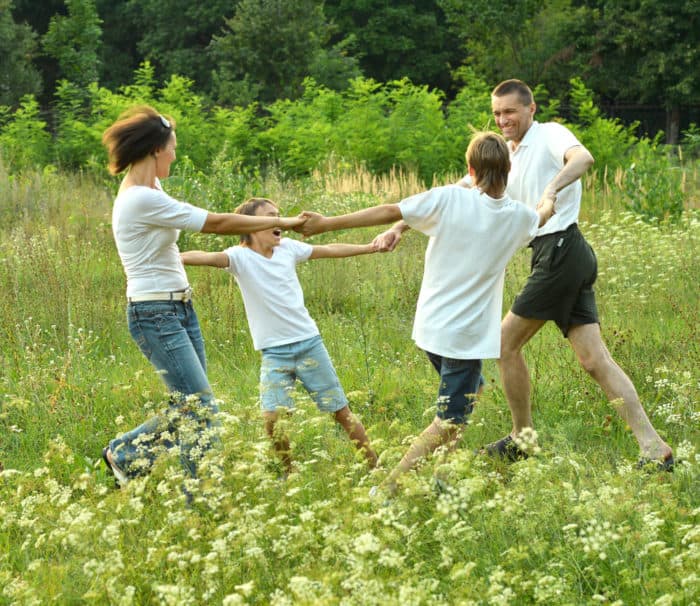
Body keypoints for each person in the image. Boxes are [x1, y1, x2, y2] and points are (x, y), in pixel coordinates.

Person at [374, 79, 674, 471]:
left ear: (531, 109)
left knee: (503, 343)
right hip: (562, 255)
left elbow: (582, 160)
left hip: (561, 251)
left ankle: (522, 438)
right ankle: (653, 447)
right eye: (497, 114)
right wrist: (401, 226)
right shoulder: (502, 155)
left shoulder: (549, 135)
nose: (503, 120)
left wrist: (550, 191)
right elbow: (456, 192)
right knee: (593, 360)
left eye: (510, 112)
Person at [296, 132, 555, 495]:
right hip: (462, 339)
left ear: (469, 169)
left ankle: (441, 479)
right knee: (449, 420)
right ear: (509, 170)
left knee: (472, 392)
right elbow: (542, 216)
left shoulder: (448, 199)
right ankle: (388, 488)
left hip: (432, 329)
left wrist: (325, 224)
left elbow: (389, 211)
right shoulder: (519, 217)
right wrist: (548, 200)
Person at [100, 106, 306, 487]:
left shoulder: (151, 189)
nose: (175, 156)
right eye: (172, 148)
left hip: (178, 308)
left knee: (191, 407)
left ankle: (125, 455)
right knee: (201, 409)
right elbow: (217, 223)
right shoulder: (139, 200)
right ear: (155, 150)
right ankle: (199, 495)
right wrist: (282, 221)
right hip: (154, 312)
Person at [181, 197, 378, 476]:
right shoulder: (239, 257)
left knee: (341, 413)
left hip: (309, 344)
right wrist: (177, 257)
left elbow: (329, 249)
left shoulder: (288, 249)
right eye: (271, 217)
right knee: (272, 418)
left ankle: (375, 466)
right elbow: (209, 257)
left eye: (279, 216)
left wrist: (369, 247)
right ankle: (289, 473)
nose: (279, 222)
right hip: (274, 353)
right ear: (252, 225)